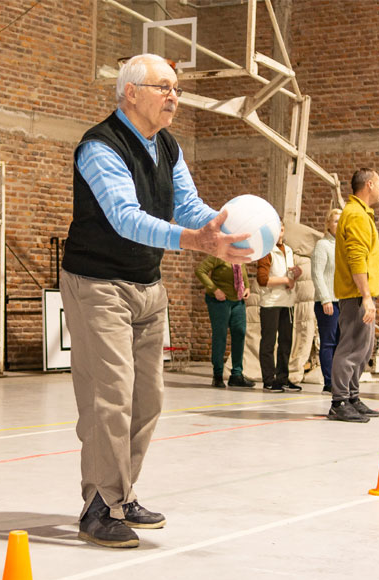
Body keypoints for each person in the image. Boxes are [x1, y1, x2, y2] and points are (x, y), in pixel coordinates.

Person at [61, 54, 253, 548]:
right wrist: (194, 242)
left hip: (147, 285)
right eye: (163, 87)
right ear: (130, 92)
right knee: (109, 398)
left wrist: (228, 231)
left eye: (176, 89)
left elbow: (187, 205)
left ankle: (120, 495)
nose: (173, 97)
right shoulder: (100, 146)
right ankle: (99, 506)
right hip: (98, 284)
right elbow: (125, 217)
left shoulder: (167, 145)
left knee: (147, 399)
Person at [328, 169, 379, 423]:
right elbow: (356, 258)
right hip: (356, 295)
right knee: (351, 348)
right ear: (369, 185)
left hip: (360, 294)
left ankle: (352, 396)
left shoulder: (361, 213)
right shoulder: (356, 215)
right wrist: (366, 296)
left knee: (363, 349)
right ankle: (339, 401)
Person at [256, 222, 302, 393]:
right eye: (276, 230)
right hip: (271, 302)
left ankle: (282, 378)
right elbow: (262, 280)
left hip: (287, 302)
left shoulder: (288, 250)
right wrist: (285, 280)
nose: (279, 232)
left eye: (282, 229)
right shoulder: (266, 250)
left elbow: (288, 276)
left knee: (286, 342)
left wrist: (295, 274)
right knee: (269, 342)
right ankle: (269, 380)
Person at [195, 255, 254, 388]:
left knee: (240, 333)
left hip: (237, 301)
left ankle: (237, 375)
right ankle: (217, 375)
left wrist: (247, 287)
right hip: (220, 301)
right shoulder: (219, 254)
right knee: (220, 336)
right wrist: (214, 289)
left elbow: (243, 270)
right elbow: (200, 270)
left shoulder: (240, 254)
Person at [311, 208, 341, 394]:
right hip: (328, 301)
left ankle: (339, 380)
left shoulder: (344, 245)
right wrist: (325, 299)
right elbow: (317, 274)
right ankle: (329, 382)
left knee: (341, 343)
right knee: (328, 342)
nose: (339, 224)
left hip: (343, 301)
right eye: (336, 221)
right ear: (328, 224)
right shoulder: (322, 245)